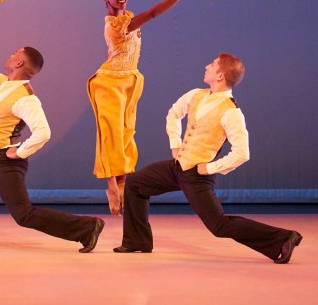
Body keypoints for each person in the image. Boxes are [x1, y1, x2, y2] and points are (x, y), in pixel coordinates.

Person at [114, 53, 303, 263]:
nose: (206, 66)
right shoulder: (196, 94)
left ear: (220, 75)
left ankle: (283, 238)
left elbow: (242, 152)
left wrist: (210, 168)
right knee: (135, 183)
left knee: (219, 226)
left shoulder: (231, 112)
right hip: (177, 168)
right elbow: (173, 114)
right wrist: (175, 145)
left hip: (197, 176)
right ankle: (136, 241)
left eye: (212, 65)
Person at [0, 47, 106, 252]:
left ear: (20, 63)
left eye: (16, 52)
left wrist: (19, 152)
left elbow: (43, 132)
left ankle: (87, 227)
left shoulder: (27, 99)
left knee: (23, 215)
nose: (11, 54)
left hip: (5, 162)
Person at [83, 0, 200, 216]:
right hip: (109, 82)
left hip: (130, 79)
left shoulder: (126, 16)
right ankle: (111, 185)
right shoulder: (115, 24)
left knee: (127, 132)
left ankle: (124, 181)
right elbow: (154, 14)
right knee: (111, 134)